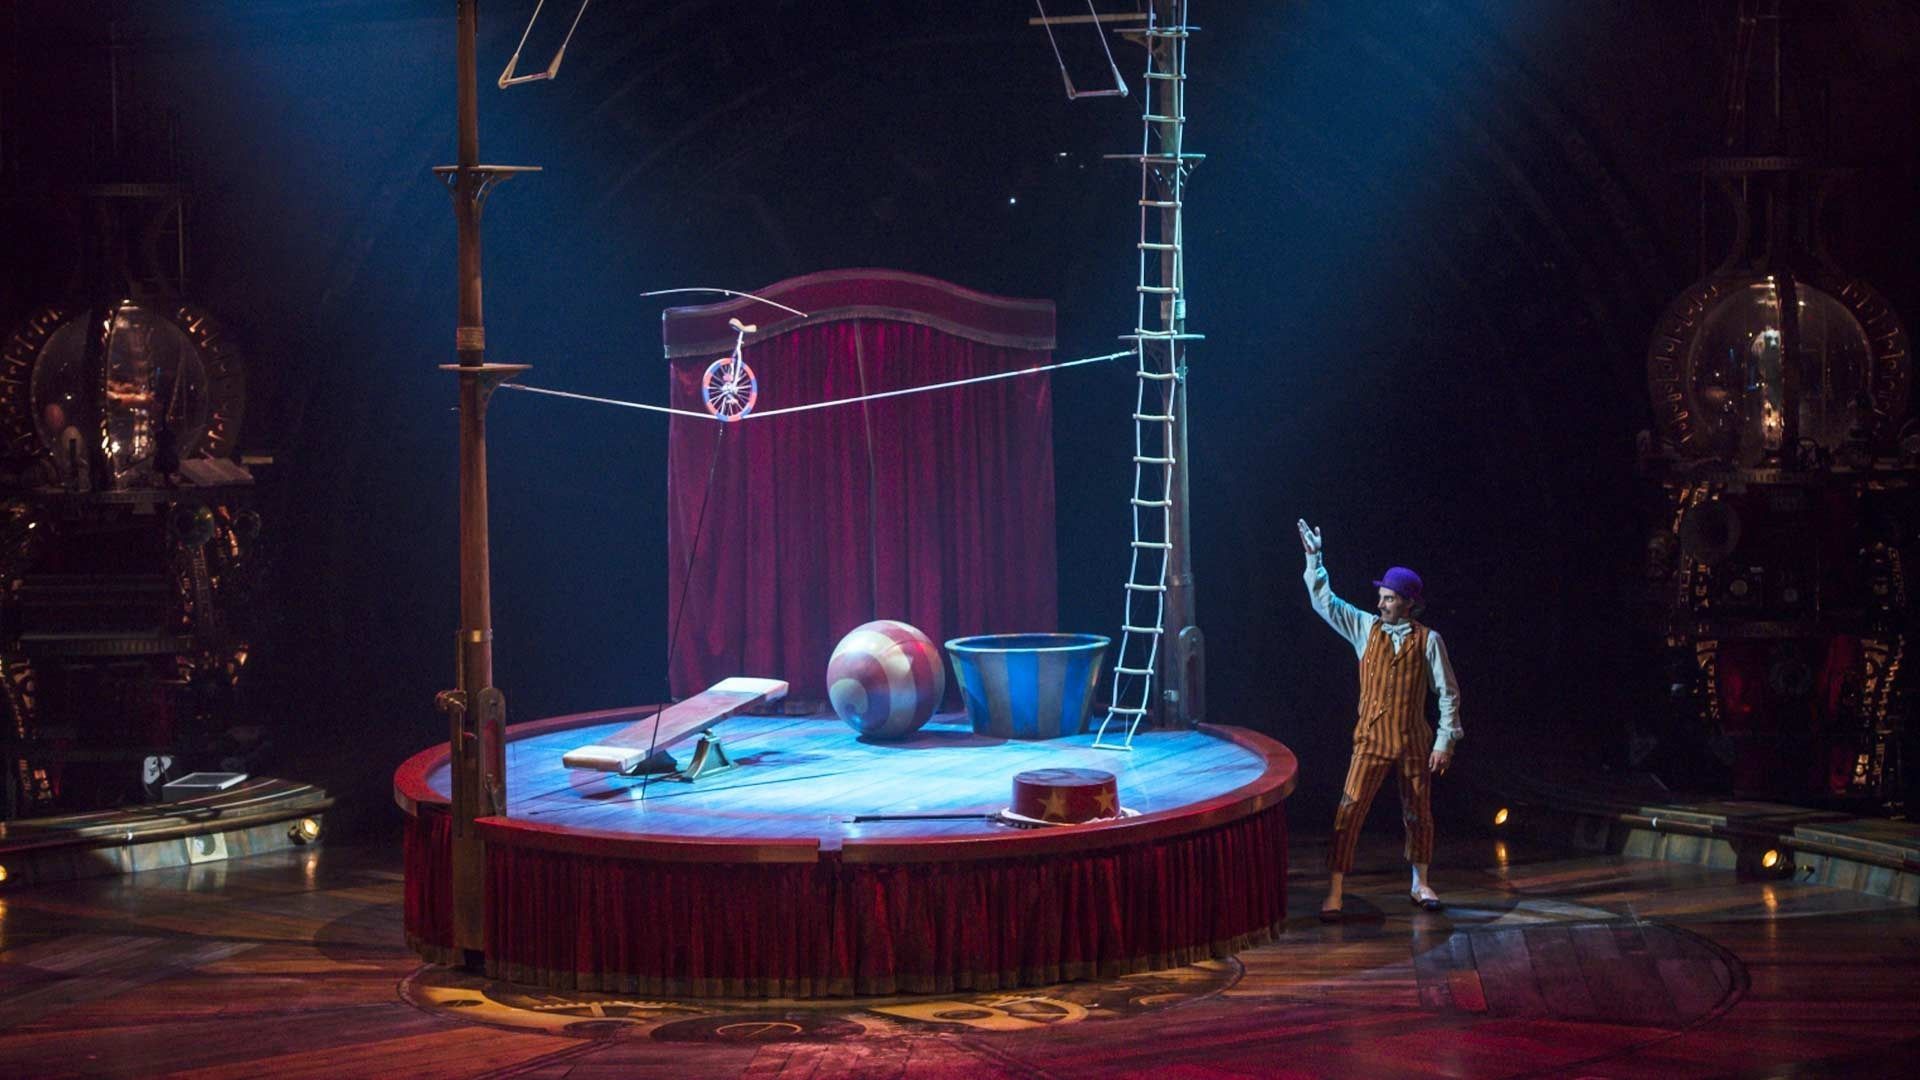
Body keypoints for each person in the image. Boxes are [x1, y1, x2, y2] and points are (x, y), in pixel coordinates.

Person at [1298, 518, 1462, 920]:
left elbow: (1448, 693)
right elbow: (1326, 603)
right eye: (1382, 597)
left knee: (1418, 812)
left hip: (1411, 739)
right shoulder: (1364, 628)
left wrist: (1445, 741)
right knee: (1349, 811)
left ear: (1408, 602)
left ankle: (1420, 882)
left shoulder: (1429, 640)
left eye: (1389, 598)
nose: (1381, 603)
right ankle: (1335, 889)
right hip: (1371, 738)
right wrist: (1314, 560)